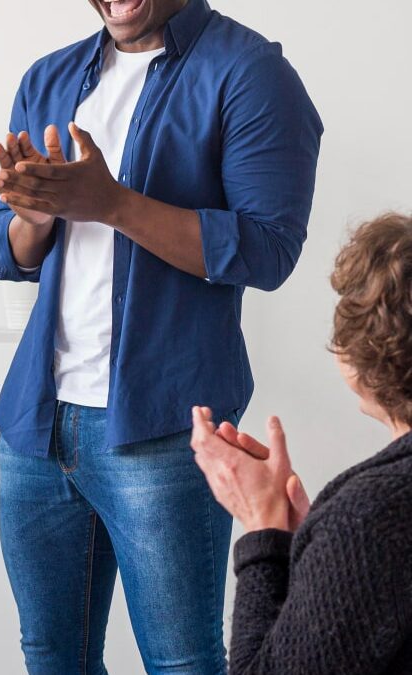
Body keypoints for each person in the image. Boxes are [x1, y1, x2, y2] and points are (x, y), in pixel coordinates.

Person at [0, 0, 322, 671]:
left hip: (165, 430)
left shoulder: (252, 73)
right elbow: (6, 250)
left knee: (182, 662)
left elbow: (268, 249)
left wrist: (110, 203)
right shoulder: (47, 78)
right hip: (37, 429)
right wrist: (34, 216)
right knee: (52, 657)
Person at [191, 213, 412, 674]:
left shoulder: (369, 519)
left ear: (361, 351)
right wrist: (315, 554)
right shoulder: (362, 523)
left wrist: (261, 529)